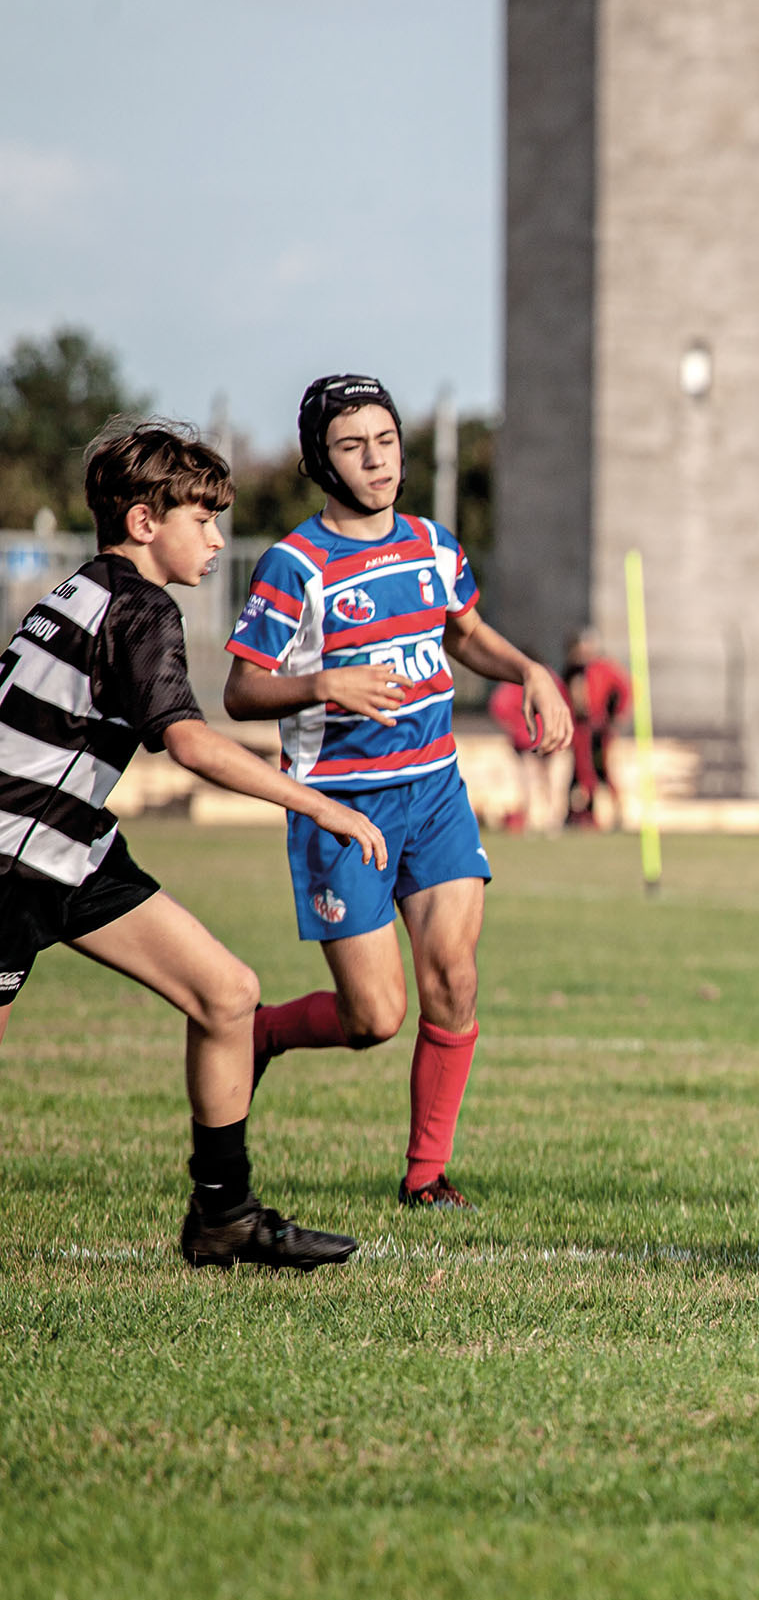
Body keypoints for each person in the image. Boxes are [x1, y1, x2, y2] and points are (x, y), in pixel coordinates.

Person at [0, 421, 386, 1268]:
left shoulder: (82, 591)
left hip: (70, 849)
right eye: (201, 520)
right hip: (11, 860)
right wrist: (321, 806)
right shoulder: (140, 605)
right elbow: (192, 744)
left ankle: (223, 1215)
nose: (216, 538)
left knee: (226, 994)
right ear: (145, 523)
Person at [225, 375, 574, 1209]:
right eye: (353, 444)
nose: (376, 458)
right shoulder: (294, 564)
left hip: (434, 791)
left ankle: (425, 1176)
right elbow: (240, 692)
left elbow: (464, 632)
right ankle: (266, 1030)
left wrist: (530, 670)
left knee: (454, 974)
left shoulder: (431, 543)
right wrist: (322, 685)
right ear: (322, 460)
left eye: (385, 439)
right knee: (373, 1016)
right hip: (341, 810)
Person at [563, 629, 631, 829]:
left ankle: (616, 814)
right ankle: (585, 815)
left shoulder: (604, 669)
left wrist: (616, 716)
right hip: (580, 731)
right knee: (582, 774)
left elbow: (624, 690)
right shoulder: (574, 670)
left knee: (603, 772)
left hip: (599, 731)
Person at [489, 663, 567, 836]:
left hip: (543, 740)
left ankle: (549, 820)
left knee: (544, 782)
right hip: (532, 741)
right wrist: (517, 729)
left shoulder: (538, 681)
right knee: (535, 782)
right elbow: (500, 707)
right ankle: (538, 821)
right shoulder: (528, 682)